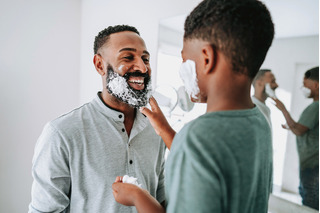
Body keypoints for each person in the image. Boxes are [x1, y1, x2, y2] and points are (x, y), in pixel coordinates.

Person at [112, 0, 275, 212]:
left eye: (184, 59)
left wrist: (138, 197)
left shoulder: (197, 138)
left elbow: (202, 149)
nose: (182, 69)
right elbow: (213, 161)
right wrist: (166, 131)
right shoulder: (259, 120)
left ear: (207, 58)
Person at [28, 25, 166, 213]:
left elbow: (162, 202)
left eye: (146, 59)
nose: (142, 67)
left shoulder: (155, 131)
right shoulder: (61, 133)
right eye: (128, 57)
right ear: (100, 65)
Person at [272, 67, 319, 210]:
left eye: (305, 84)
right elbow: (304, 129)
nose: (302, 87)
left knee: (310, 202)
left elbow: (299, 130)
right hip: (311, 163)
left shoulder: (316, 106)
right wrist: (290, 126)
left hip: (312, 165)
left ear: (316, 85)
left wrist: (283, 109)